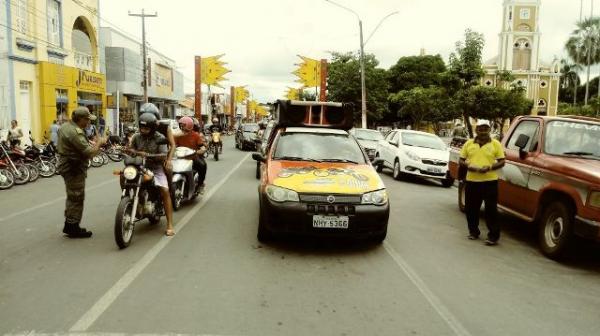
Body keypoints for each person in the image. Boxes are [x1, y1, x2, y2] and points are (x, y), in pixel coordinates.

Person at [57, 107, 106, 238]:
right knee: (76, 197)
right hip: (73, 167)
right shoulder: (75, 132)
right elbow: (89, 153)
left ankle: (70, 224)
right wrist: (99, 143)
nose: (88, 122)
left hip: (67, 164)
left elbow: (76, 145)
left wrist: (89, 143)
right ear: (80, 119)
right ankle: (72, 227)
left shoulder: (65, 126)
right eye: (87, 119)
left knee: (72, 196)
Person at [459, 119, 505, 246]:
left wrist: (489, 167)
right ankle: (473, 232)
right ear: (476, 130)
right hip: (472, 181)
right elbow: (461, 160)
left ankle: (493, 236)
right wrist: (469, 166)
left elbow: (502, 161)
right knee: (471, 209)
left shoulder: (496, 144)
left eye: (485, 128)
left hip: (490, 182)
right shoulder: (468, 144)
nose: (483, 131)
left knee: (491, 210)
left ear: (489, 130)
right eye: (480, 129)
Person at [129, 112, 176, 236]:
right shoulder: (136, 137)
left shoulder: (160, 137)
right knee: (124, 176)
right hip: (139, 166)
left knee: (165, 191)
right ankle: (128, 199)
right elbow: (130, 149)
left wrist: (149, 155)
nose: (143, 130)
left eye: (146, 128)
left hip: (155, 168)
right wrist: (132, 151)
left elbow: (163, 155)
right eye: (142, 128)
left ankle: (170, 224)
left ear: (152, 128)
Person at [175, 116, 207, 192]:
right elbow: (173, 145)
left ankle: (200, 184)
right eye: (181, 125)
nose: (181, 127)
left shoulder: (195, 135)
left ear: (189, 125)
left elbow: (202, 147)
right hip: (180, 157)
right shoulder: (177, 135)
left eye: (183, 125)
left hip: (193, 157)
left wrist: (198, 151)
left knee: (202, 165)